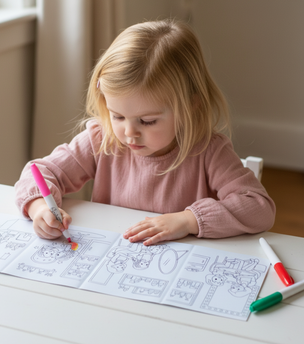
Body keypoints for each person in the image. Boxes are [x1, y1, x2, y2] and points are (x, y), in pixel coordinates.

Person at [15, 19, 275, 246]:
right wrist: (39, 209)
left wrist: (188, 220)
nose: (129, 133)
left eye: (147, 121)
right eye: (117, 116)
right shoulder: (101, 139)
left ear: (190, 105)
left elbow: (259, 208)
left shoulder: (208, 150)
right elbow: (38, 172)